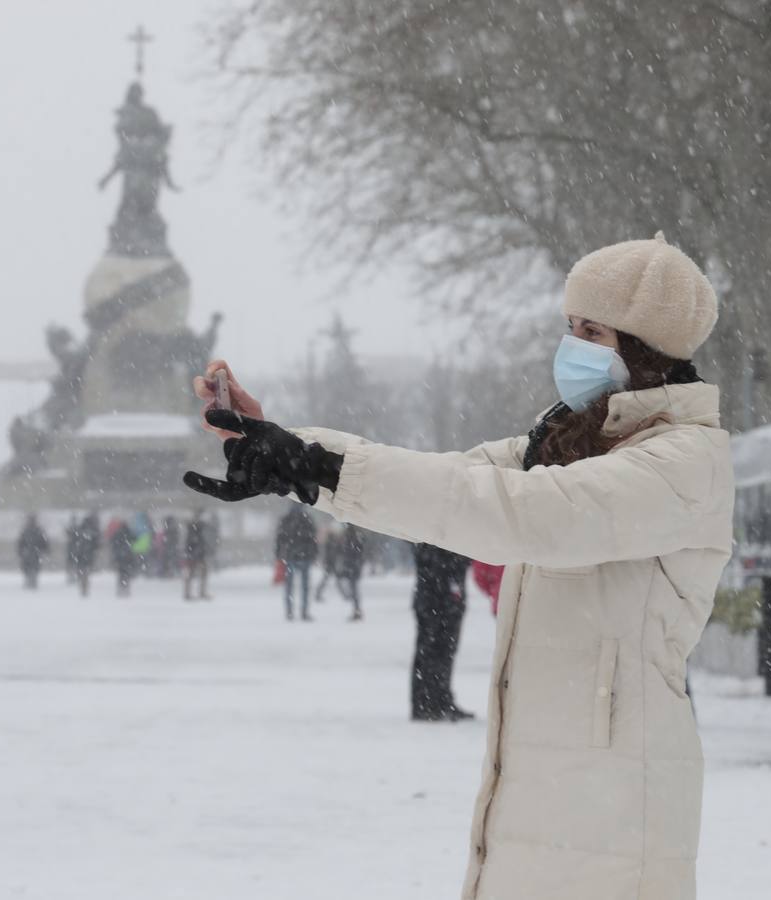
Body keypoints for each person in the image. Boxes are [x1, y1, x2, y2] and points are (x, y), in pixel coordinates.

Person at [185, 233, 731, 900]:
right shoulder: (563, 444)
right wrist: (296, 453)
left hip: (620, 802)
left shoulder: (684, 462)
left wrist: (320, 466)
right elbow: (452, 478)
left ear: (644, 348)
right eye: (569, 327)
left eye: (592, 331)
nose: (573, 345)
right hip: (538, 787)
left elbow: (515, 513)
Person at [412, 542, 473, 721]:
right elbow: (428, 561)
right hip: (433, 599)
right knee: (430, 652)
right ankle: (426, 703)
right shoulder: (430, 536)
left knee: (446, 652)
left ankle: (440, 699)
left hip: (449, 599)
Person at [275, 507, 319, 621]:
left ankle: (290, 612)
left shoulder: (286, 519)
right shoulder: (307, 519)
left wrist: (278, 554)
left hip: (291, 556)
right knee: (304, 587)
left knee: (289, 586)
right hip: (305, 556)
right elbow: (313, 538)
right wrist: (314, 554)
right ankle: (304, 612)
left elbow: (280, 538)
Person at [337, 523, 366, 621]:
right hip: (354, 567)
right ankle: (356, 609)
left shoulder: (347, 539)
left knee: (352, 589)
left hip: (350, 567)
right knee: (354, 590)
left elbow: (344, 552)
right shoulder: (357, 538)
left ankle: (356, 610)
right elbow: (360, 553)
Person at [69, 513, 101, 597]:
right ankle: (85, 585)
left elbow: (73, 541)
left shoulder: (79, 530)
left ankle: (83, 585)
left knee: (81, 570)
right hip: (89, 555)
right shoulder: (93, 531)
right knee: (86, 571)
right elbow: (96, 545)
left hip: (80, 555)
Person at [183, 511, 212, 601]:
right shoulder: (195, 529)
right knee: (193, 573)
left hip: (196, 554)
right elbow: (193, 542)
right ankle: (190, 593)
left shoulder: (196, 529)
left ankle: (195, 592)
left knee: (199, 573)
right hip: (195, 554)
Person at [16, 514, 50, 590]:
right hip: (31, 554)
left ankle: (31, 582)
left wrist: (21, 551)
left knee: (32, 569)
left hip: (32, 554)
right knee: (30, 569)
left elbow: (44, 542)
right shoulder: (29, 530)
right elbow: (21, 543)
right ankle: (30, 581)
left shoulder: (31, 530)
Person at [109, 518, 138, 597]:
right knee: (127, 573)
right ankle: (126, 588)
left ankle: (120, 588)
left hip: (120, 557)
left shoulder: (117, 533)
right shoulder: (129, 532)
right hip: (128, 556)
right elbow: (135, 539)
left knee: (120, 573)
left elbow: (113, 543)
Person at [314, 524, 341, 602]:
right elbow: (331, 553)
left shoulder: (329, 541)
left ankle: (318, 593)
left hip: (330, 562)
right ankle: (318, 593)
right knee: (332, 579)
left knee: (327, 579)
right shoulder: (331, 541)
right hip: (331, 563)